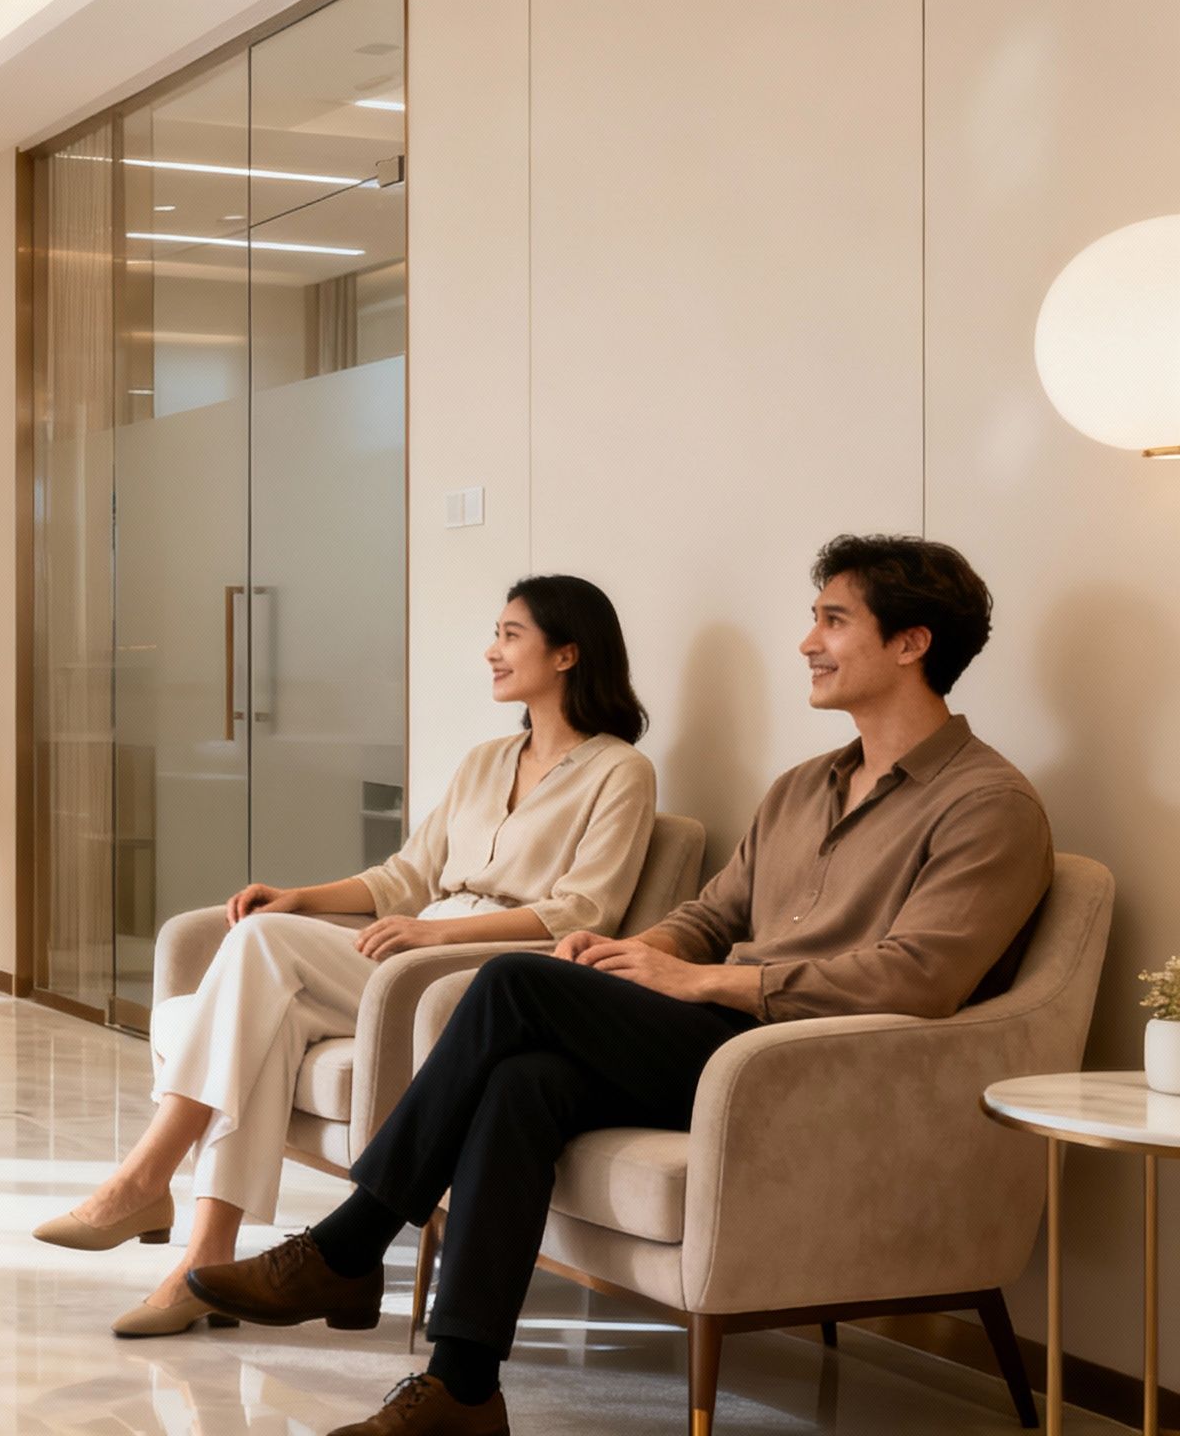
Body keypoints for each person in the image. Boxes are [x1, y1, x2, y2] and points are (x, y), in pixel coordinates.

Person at [186, 535, 1054, 1436]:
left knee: (514, 984)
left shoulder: (987, 805)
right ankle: (464, 1390)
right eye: (814, 619)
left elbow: (922, 978)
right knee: (525, 1083)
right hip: (715, 1038)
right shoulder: (803, 787)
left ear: (912, 643)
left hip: (801, 1061)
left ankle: (354, 1240)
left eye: (834, 621)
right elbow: (714, 913)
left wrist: (704, 981)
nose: (807, 642)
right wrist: (633, 952)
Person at [34, 575, 659, 1339]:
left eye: (510, 634)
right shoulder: (485, 760)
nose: (491, 651)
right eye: (494, 633)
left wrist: (436, 935)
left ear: (568, 653)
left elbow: (584, 912)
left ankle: (144, 1179)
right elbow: (406, 878)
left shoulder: (620, 771)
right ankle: (203, 1258)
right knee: (269, 1004)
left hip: (479, 971)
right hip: (411, 941)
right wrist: (303, 896)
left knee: (258, 950)